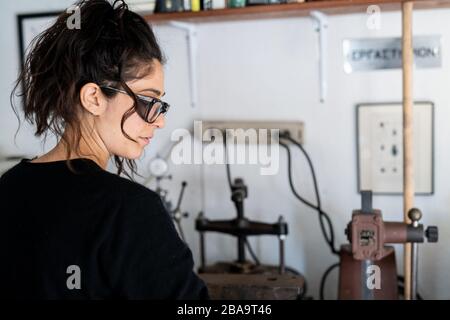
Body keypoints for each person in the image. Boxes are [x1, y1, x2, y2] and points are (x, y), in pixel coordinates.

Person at [0, 0, 208, 299]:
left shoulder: (10, 186)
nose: (160, 121)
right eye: (149, 101)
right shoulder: (129, 211)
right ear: (94, 98)